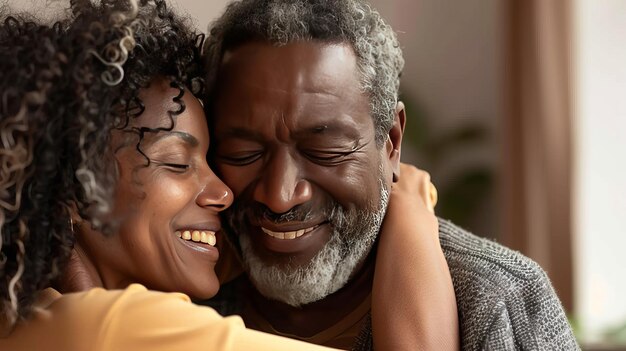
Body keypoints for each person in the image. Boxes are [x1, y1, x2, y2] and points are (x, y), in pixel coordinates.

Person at [0, 0, 457, 349]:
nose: (222, 191)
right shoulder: (112, 328)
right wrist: (411, 204)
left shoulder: (27, 316)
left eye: (217, 158)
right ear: (72, 193)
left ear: (390, 138)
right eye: (177, 163)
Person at [202, 0, 580, 350]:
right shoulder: (186, 291)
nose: (280, 196)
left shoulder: (497, 301)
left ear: (392, 143)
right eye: (243, 153)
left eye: (325, 151)